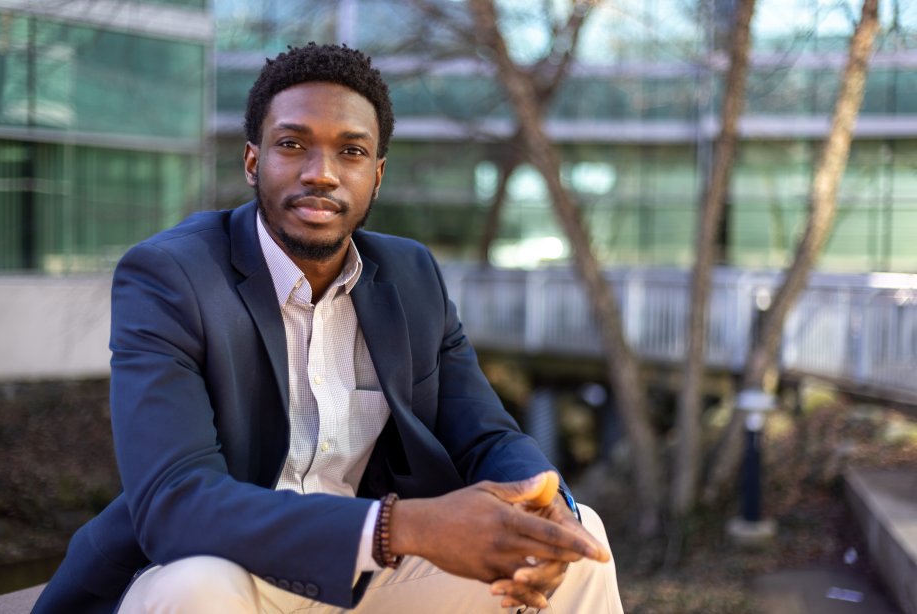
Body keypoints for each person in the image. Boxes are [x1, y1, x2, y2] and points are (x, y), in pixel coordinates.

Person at [34, 43, 624, 613]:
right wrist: (398, 527)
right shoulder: (171, 277)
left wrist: (549, 505)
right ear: (252, 160)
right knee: (198, 587)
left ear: (378, 173)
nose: (321, 173)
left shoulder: (410, 274)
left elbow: (486, 437)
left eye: (350, 151)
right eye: (292, 144)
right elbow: (175, 500)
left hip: (363, 579)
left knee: (580, 544)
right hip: (224, 571)